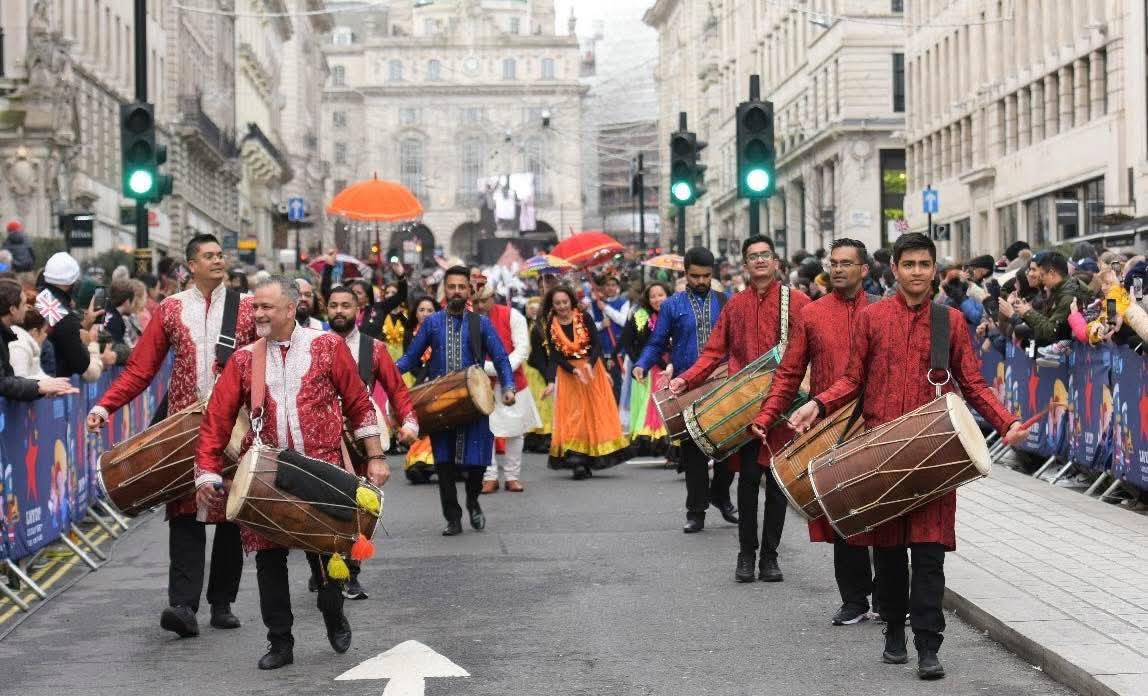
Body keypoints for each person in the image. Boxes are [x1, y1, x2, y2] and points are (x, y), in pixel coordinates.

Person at [787, 232, 1030, 680]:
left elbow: (973, 383)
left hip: (937, 451)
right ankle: (894, 633)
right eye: (909, 264)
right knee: (891, 554)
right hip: (881, 454)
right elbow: (852, 381)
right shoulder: (872, 319)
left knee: (930, 554)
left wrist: (1006, 421)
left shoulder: (950, 322)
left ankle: (928, 645)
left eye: (924, 264)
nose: (917, 272)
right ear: (894, 269)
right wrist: (816, 404)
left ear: (934, 269)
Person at [193, 276, 388, 670]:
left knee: (328, 552)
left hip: (321, 471)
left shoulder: (326, 345)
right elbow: (217, 419)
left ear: (291, 307)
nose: (258, 314)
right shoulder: (245, 358)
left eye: (267, 307)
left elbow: (359, 403)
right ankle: (280, 641)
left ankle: (332, 609)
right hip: (264, 473)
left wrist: (376, 455)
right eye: (256, 307)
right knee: (268, 560)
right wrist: (207, 472)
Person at [87, 234, 255, 638]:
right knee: (185, 516)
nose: (218, 261)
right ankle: (182, 606)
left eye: (221, 255)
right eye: (209, 256)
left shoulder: (247, 308)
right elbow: (140, 369)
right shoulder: (171, 309)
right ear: (190, 265)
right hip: (184, 431)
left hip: (237, 428)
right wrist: (103, 405)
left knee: (233, 514)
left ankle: (222, 602)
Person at [751, 238, 879, 625]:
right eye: (833, 262)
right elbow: (789, 372)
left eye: (846, 263)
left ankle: (891, 600)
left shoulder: (883, 311)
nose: (838, 269)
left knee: (886, 514)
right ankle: (855, 600)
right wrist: (768, 414)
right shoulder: (812, 314)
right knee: (841, 513)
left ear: (864, 269)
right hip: (827, 430)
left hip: (877, 424)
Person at [674, 236, 810, 582]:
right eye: (753, 257)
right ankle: (746, 554)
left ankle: (770, 557)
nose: (760, 261)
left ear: (776, 262)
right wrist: (685, 381)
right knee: (748, 482)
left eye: (765, 255)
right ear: (745, 266)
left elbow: (815, 350)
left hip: (784, 409)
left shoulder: (798, 302)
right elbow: (712, 352)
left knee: (778, 486)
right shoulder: (735, 306)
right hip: (744, 412)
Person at [395, 266, 516, 536]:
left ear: (470, 290)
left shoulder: (480, 323)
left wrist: (508, 386)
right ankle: (453, 517)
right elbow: (411, 358)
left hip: (474, 402)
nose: (457, 291)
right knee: (445, 464)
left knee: (477, 462)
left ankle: (473, 500)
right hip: (441, 405)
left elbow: (500, 358)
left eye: (462, 287)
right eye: (452, 287)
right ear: (444, 290)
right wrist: (385, 370)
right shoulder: (432, 323)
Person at [320, 284, 418, 598]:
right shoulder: (313, 344)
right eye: (333, 305)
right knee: (321, 504)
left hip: (362, 439)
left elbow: (397, 390)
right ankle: (323, 563)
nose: (338, 311)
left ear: (358, 311)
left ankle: (351, 571)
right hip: (320, 437)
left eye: (345, 305)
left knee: (359, 505)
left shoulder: (373, 349)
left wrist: (410, 421)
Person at [634, 247, 736, 532]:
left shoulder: (724, 300)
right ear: (685, 273)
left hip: (721, 386)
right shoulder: (672, 305)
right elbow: (657, 342)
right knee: (693, 455)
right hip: (686, 386)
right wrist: (643, 363)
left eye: (706, 276)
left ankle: (721, 495)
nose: (701, 281)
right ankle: (696, 512)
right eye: (695, 276)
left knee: (728, 449)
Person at [541, 285, 629, 480]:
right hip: (568, 374)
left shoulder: (584, 317)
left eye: (565, 302)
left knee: (593, 414)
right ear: (552, 305)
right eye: (558, 303)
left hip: (591, 371)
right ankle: (577, 461)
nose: (562, 306)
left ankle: (591, 459)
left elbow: (597, 344)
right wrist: (555, 379)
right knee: (574, 417)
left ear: (571, 301)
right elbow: (554, 356)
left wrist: (589, 364)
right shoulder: (550, 325)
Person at [474, 283, 541, 493]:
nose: (480, 305)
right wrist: (489, 369)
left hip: (513, 380)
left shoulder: (513, 316)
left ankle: (512, 476)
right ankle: (490, 476)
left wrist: (501, 368)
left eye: (483, 300)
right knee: (485, 432)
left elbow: (522, 349)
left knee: (516, 431)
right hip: (480, 382)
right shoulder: (468, 320)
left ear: (493, 297)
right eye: (475, 301)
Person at [37, 252, 115, 379]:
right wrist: (86, 342)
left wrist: (86, 323)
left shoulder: (39, 298)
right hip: (54, 385)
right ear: (72, 282)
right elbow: (80, 364)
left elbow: (60, 335)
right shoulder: (65, 316)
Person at [0, 279, 76, 400]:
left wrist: (47, 385)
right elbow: (3, 384)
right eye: (24, 304)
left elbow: (9, 378)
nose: (27, 308)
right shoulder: (13, 341)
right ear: (12, 309)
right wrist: (38, 387)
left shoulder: (6, 335)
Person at [621, 282, 671, 456]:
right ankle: (652, 441)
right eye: (653, 296)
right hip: (650, 369)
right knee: (650, 405)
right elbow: (626, 342)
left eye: (661, 295)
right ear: (647, 299)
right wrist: (639, 364)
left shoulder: (676, 314)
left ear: (668, 295)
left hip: (673, 368)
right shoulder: (640, 315)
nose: (657, 299)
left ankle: (669, 442)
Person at [400, 296, 438, 482]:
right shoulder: (410, 334)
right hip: (418, 384)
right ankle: (419, 461)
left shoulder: (442, 331)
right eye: (421, 310)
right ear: (415, 313)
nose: (425, 314)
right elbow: (410, 360)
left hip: (440, 383)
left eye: (429, 310)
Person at [589, 275, 629, 400]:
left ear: (617, 287)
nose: (610, 288)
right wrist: (601, 325)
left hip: (619, 350)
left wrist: (606, 308)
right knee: (607, 385)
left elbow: (623, 321)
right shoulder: (594, 305)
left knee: (620, 384)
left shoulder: (624, 302)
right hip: (602, 350)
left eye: (613, 285)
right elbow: (589, 326)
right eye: (607, 285)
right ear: (602, 288)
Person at [523, 297, 553, 453]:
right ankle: (532, 437)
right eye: (530, 308)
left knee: (544, 404)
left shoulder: (544, 327)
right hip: (529, 369)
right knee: (532, 404)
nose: (533, 310)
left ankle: (546, 436)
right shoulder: (527, 326)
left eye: (537, 308)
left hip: (540, 369)